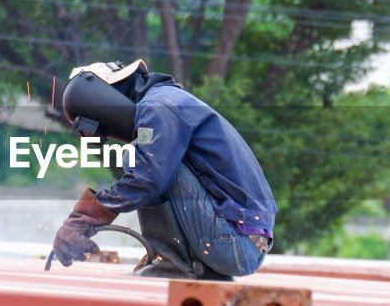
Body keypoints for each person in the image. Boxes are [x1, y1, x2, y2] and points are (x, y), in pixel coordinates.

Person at [48, 59, 275, 279]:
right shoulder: (166, 101)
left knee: (140, 158)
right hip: (241, 241)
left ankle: (171, 263)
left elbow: (149, 179)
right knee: (148, 157)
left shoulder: (158, 106)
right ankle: (177, 260)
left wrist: (86, 216)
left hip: (236, 243)